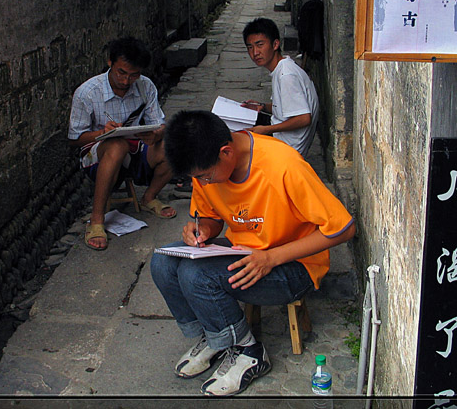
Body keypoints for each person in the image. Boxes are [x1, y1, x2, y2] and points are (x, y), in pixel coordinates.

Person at [151, 110, 355, 396]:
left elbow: (343, 228)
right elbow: (210, 216)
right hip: (245, 252)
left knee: (196, 275)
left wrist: (271, 258)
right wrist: (203, 230)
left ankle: (249, 352)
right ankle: (215, 337)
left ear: (226, 152)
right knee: (164, 261)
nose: (204, 183)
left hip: (293, 265)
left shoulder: (283, 165)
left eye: (205, 176)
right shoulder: (206, 167)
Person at [68, 37, 176, 250]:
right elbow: (75, 138)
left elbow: (159, 124)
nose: (127, 81)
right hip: (98, 156)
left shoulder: (146, 86)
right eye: (121, 73)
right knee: (117, 146)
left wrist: (156, 135)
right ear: (110, 62)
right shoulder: (88, 92)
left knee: (173, 145)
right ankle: (97, 220)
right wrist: (102, 133)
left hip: (135, 149)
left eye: (134, 75)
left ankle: (149, 198)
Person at [240, 17, 319, 158]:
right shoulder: (282, 68)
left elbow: (304, 118)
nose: (255, 53)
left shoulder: (286, 75)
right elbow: (286, 107)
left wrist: (266, 130)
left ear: (275, 44)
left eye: (260, 45)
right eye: (250, 47)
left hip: (288, 147)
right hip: (281, 136)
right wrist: (262, 106)